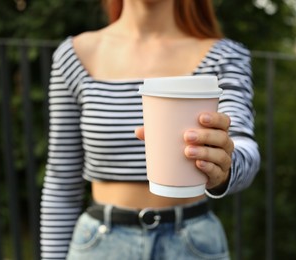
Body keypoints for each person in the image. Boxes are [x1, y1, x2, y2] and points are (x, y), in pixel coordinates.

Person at [40, 0, 260, 259]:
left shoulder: (225, 56)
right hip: (100, 246)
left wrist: (225, 167)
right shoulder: (73, 56)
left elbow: (245, 147)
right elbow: (61, 180)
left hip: (191, 246)